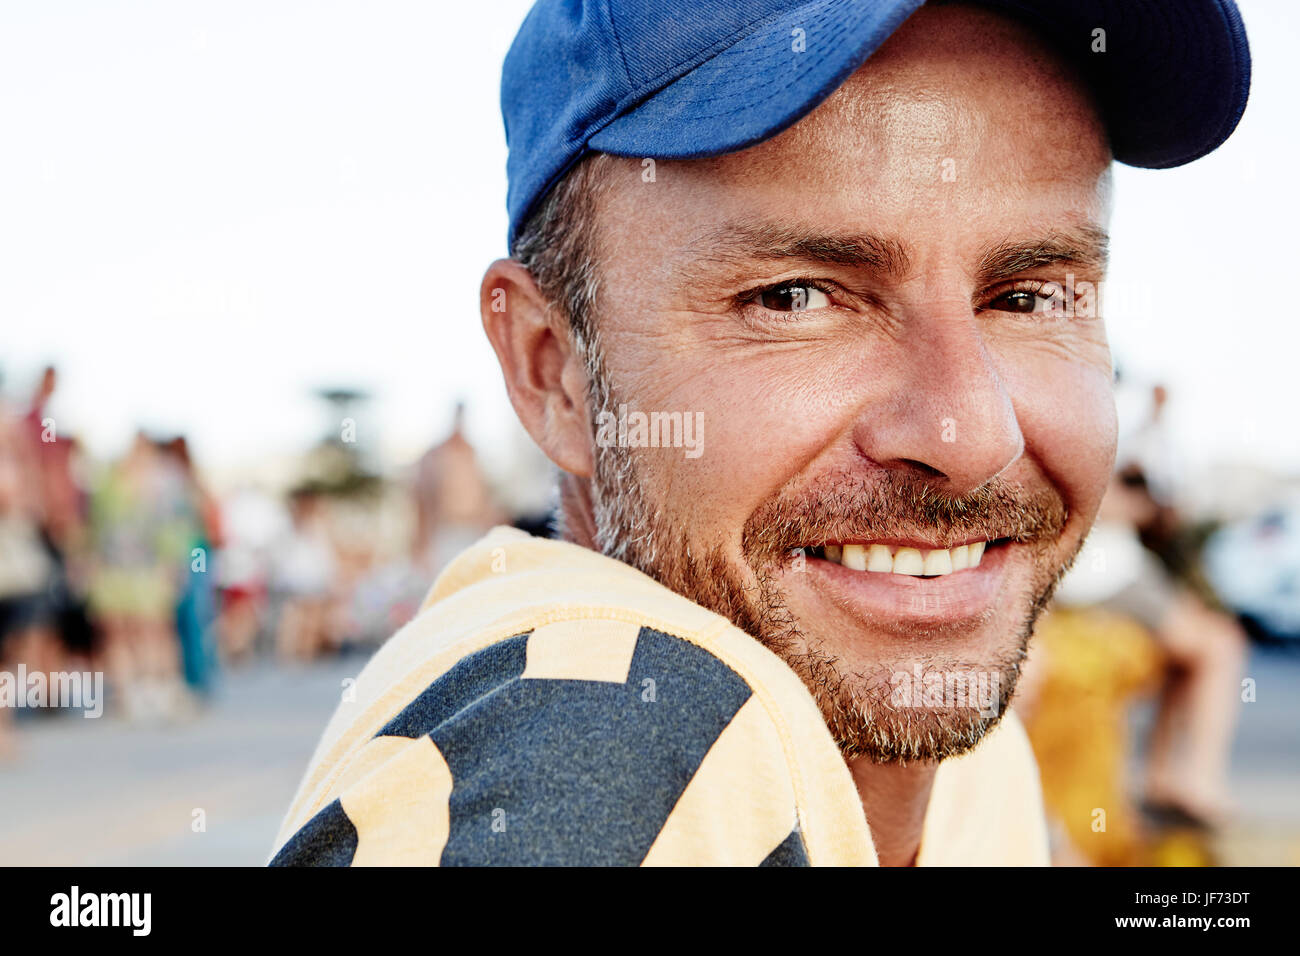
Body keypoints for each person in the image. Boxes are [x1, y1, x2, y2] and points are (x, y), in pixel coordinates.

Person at [271, 0, 1251, 866]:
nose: (966, 433)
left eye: (1028, 295)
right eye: (795, 297)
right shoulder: (618, 720)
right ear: (551, 370)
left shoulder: (967, 756)